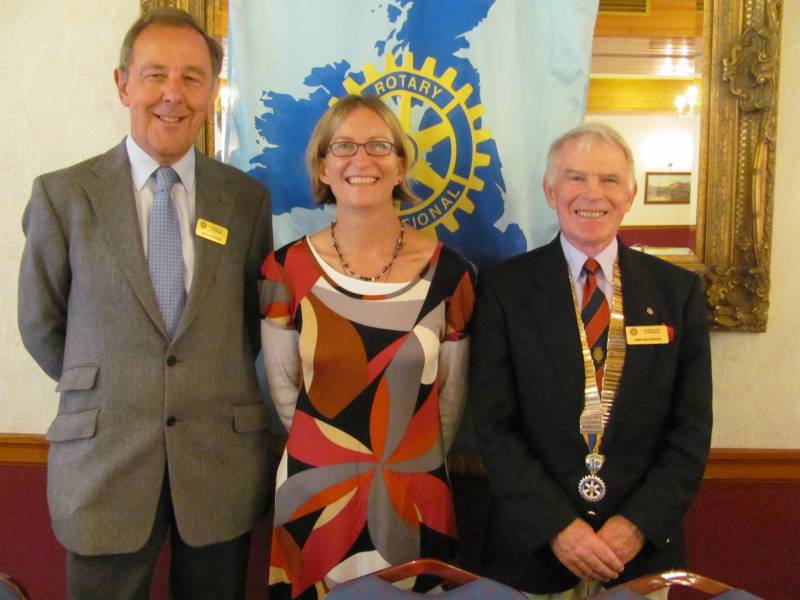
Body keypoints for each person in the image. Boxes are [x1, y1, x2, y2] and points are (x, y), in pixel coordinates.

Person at [18, 8, 272, 600]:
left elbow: (248, 325)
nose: (172, 95)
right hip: (104, 465)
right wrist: (116, 388)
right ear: (123, 83)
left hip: (218, 465)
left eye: (192, 77)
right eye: (155, 74)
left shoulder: (246, 201)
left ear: (213, 90)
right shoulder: (64, 196)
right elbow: (42, 324)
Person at [468, 123, 712, 599]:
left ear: (631, 193)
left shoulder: (676, 293)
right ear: (550, 190)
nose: (591, 194)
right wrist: (559, 527)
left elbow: (691, 428)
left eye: (609, 180)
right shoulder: (505, 290)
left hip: (638, 556)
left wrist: (635, 525)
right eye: (575, 178)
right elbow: (494, 425)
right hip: (533, 549)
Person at [259, 94, 476, 599]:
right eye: (344, 147)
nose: (363, 159)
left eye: (380, 145)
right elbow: (284, 390)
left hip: (414, 491)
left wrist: (399, 457)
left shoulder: (452, 274)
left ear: (401, 165)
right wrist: (339, 458)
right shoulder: (284, 271)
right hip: (316, 491)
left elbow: (449, 401)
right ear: (322, 168)